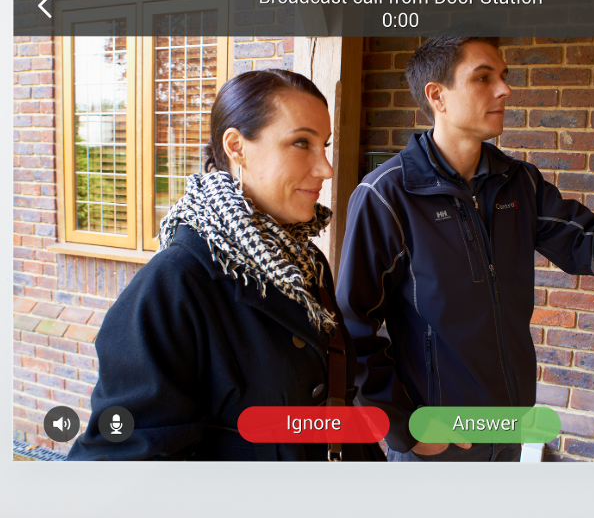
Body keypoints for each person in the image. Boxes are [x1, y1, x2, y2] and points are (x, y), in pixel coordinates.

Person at [335, 35, 594, 462]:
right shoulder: (387, 195)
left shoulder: (518, 182)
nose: (504, 89)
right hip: (437, 437)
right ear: (438, 96)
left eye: (503, 77)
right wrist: (403, 429)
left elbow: (590, 248)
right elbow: (354, 327)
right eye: (483, 78)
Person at [68, 70, 384, 461]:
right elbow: (123, 461)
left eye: (325, 145)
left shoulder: (306, 261)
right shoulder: (175, 282)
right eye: (301, 143)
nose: (326, 168)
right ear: (236, 147)